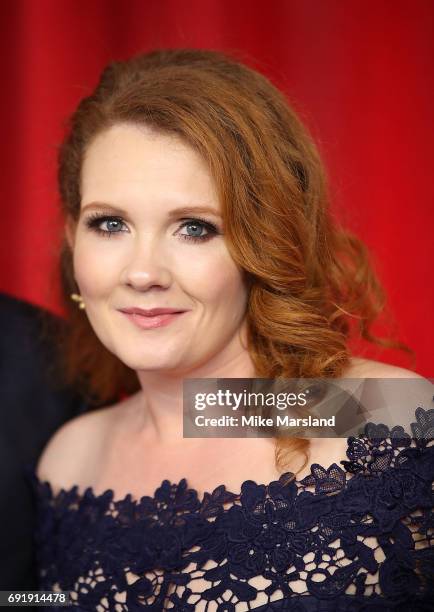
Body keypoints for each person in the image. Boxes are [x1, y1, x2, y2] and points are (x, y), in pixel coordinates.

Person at [29, 49, 433, 610]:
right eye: (110, 224)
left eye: (195, 227)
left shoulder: (377, 415)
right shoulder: (71, 460)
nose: (143, 273)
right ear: (74, 238)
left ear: (262, 242)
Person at [0, 292, 85, 590]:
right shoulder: (85, 439)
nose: (142, 276)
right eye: (110, 239)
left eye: (195, 239)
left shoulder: (45, 351)